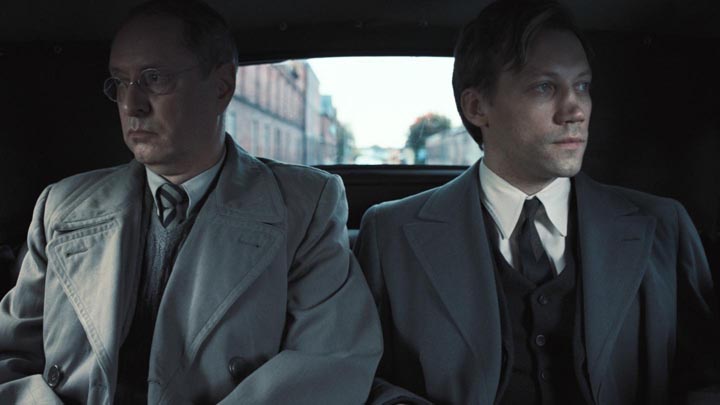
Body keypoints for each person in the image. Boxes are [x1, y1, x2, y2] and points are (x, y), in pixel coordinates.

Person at [0, 0, 382, 403]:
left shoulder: (304, 205)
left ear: (221, 87)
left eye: (153, 78)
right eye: (120, 82)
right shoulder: (60, 205)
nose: (131, 105)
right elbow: (9, 356)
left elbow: (330, 359)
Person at [354, 1, 720, 404]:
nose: (575, 111)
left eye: (582, 86)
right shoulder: (390, 233)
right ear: (477, 107)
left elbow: (706, 377)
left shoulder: (664, 226)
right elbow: (359, 377)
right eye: (545, 87)